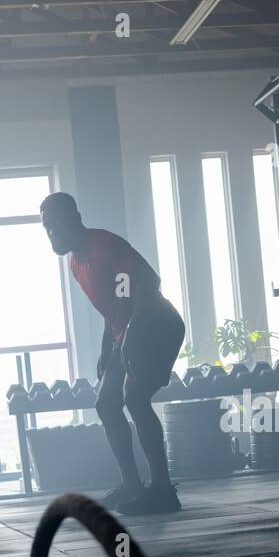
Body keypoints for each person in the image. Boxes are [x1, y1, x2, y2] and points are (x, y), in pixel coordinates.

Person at [40, 193, 186, 514]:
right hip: (128, 332)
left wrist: (131, 331)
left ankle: (163, 490)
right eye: (46, 226)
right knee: (106, 404)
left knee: (134, 397)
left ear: (74, 218)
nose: (51, 233)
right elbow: (114, 306)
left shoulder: (103, 244)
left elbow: (148, 282)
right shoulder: (76, 263)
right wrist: (107, 347)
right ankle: (132, 485)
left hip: (158, 324)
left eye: (55, 224)